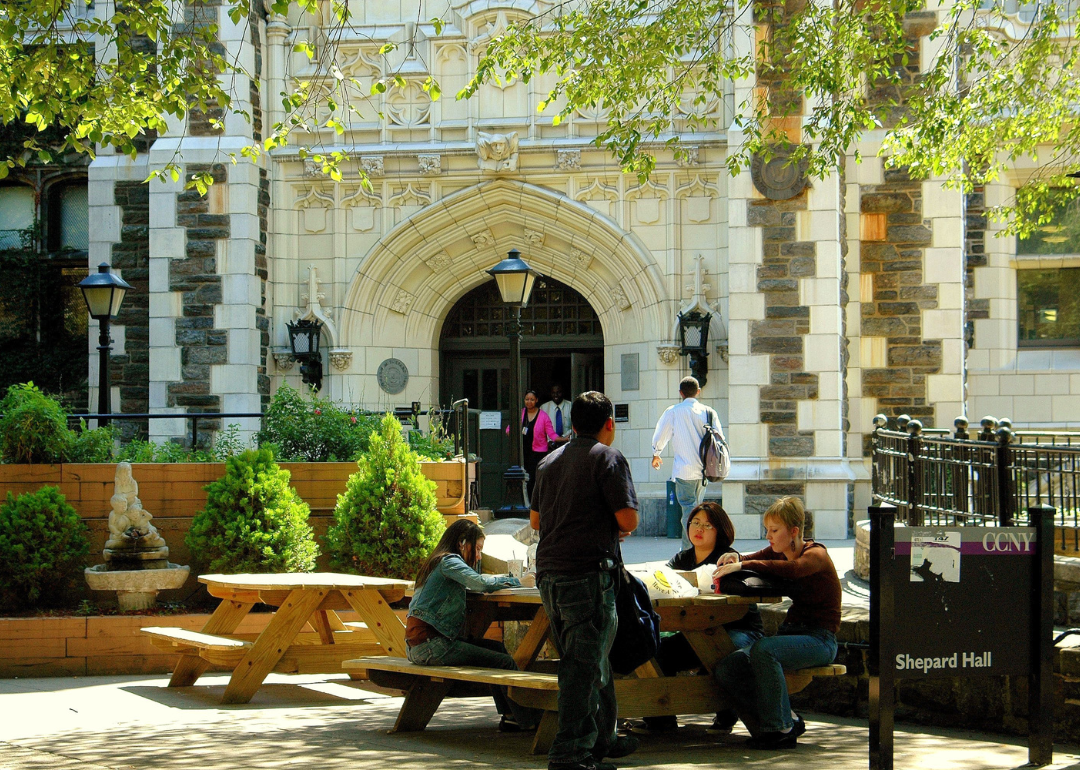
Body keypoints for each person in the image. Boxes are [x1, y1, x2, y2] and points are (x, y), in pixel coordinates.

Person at [531, 391, 640, 770]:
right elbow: (628, 520)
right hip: (587, 573)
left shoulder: (547, 462)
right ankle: (570, 752)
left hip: (549, 574)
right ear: (609, 423)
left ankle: (603, 738)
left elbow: (535, 522)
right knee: (583, 665)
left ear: (572, 424)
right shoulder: (608, 458)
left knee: (592, 657)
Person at [711, 496, 841, 749]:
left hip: (820, 640)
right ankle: (787, 718)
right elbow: (751, 558)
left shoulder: (816, 554)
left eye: (774, 530)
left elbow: (793, 569)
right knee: (726, 668)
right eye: (767, 530)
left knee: (764, 650)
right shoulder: (778, 551)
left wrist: (742, 564)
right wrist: (732, 558)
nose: (768, 536)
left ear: (794, 531)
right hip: (790, 634)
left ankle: (779, 730)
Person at [634, 502, 764, 734]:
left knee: (716, 657)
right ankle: (661, 720)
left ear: (720, 531)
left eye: (707, 525)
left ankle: (727, 715)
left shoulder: (729, 559)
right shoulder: (681, 560)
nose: (699, 529)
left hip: (739, 631)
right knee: (658, 652)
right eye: (695, 523)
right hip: (696, 630)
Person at [406, 519, 543, 732]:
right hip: (432, 646)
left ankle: (511, 716)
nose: (479, 556)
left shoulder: (438, 561)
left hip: (422, 645)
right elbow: (479, 583)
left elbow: (477, 579)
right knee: (504, 662)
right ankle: (529, 720)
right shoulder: (448, 562)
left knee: (497, 650)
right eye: (477, 549)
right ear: (462, 543)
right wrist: (519, 582)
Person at [651, 376, 725, 550]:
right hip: (705, 470)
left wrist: (656, 453)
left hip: (684, 470)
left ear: (680, 393)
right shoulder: (709, 412)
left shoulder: (673, 411)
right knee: (695, 511)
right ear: (698, 392)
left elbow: (661, 434)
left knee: (689, 512)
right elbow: (720, 439)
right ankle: (695, 548)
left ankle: (689, 550)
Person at [514, 389, 560, 501]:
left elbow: (551, 434)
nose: (529, 402)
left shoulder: (543, 416)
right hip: (523, 452)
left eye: (532, 399)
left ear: (537, 400)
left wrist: (563, 439)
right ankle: (524, 501)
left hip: (538, 453)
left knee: (534, 479)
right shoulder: (521, 414)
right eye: (527, 399)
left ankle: (533, 502)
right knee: (522, 478)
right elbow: (510, 429)